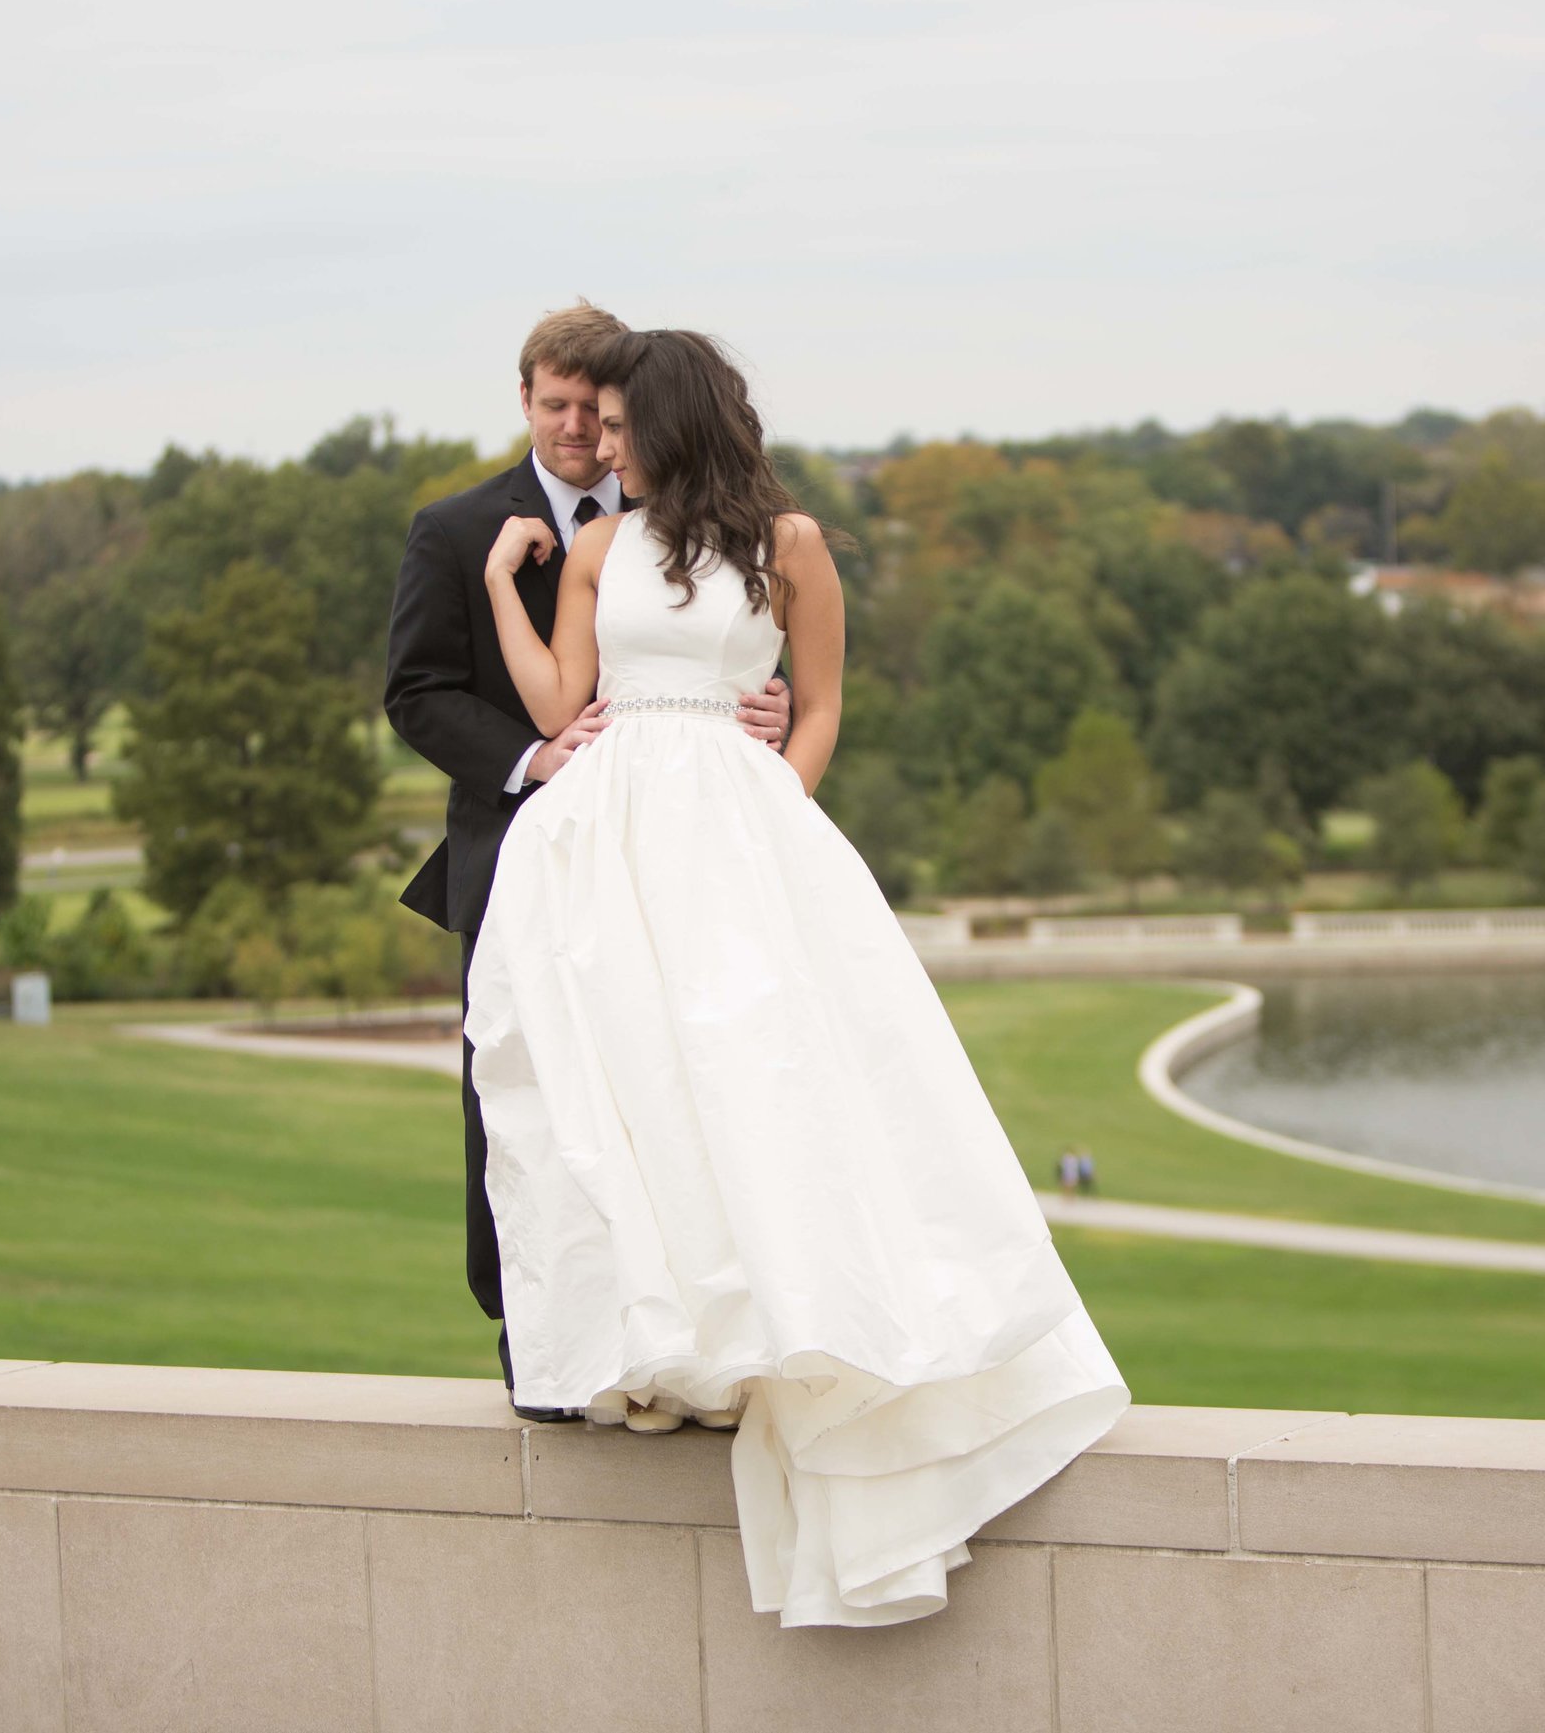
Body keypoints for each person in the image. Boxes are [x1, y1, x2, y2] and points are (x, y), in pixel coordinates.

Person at [463, 326, 1129, 1628]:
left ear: (675, 418)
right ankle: (660, 1343)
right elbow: (557, 707)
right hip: (611, 841)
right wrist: (502, 580)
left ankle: (806, 1323)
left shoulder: (795, 548)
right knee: (626, 1087)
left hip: (740, 828)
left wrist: (780, 810)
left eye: (618, 419)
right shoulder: (599, 550)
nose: (598, 440)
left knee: (764, 1076)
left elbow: (816, 704)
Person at [382, 301, 793, 1422]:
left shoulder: (687, 519)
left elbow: (740, 640)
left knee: (673, 1089)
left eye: (593, 410)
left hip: (677, 864)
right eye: (557, 407)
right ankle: (541, 1344)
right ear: (524, 401)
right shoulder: (459, 528)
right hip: (520, 849)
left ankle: (685, 1334)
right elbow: (414, 695)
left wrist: (762, 705)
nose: (577, 430)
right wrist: (534, 757)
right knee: (527, 1101)